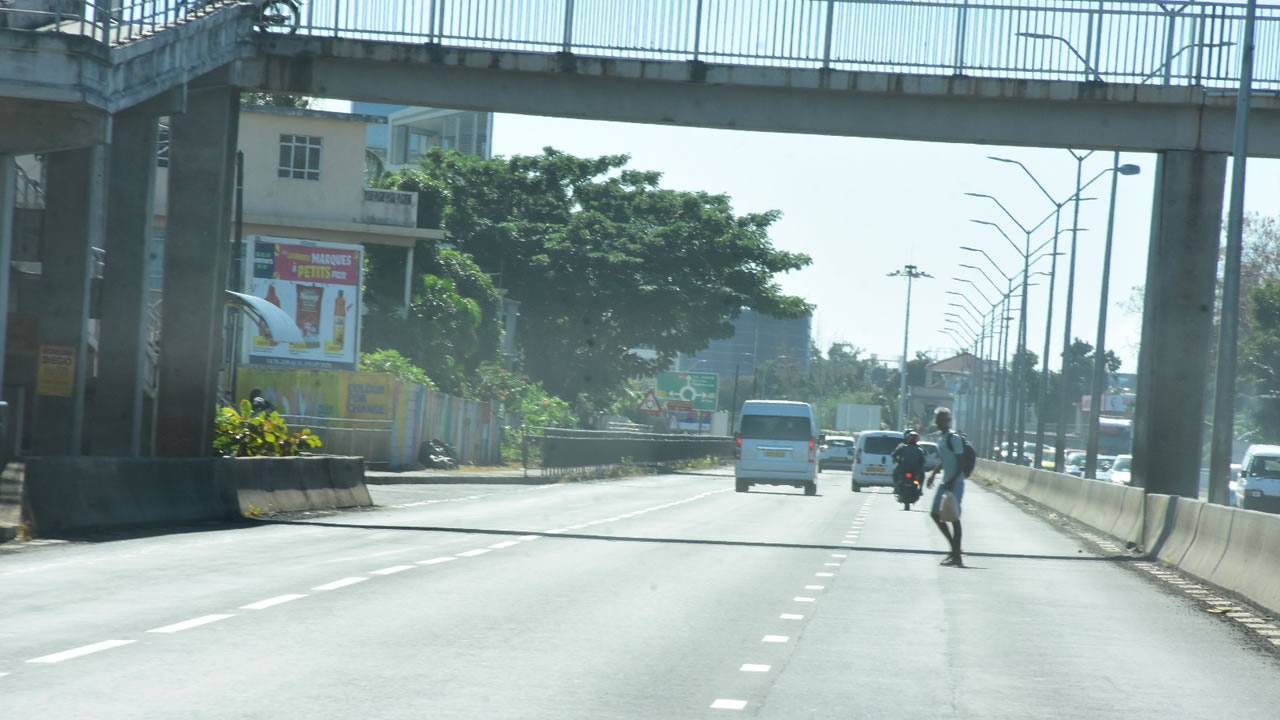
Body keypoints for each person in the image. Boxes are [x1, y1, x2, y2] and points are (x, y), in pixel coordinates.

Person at [927, 407, 965, 567]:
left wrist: (952, 480)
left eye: (940, 420)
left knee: (954, 518)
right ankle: (954, 549)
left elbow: (960, 461)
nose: (937, 423)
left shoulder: (953, 438)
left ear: (947, 421)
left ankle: (957, 556)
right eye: (937, 420)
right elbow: (944, 459)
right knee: (935, 514)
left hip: (955, 483)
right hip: (945, 482)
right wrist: (933, 474)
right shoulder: (942, 438)